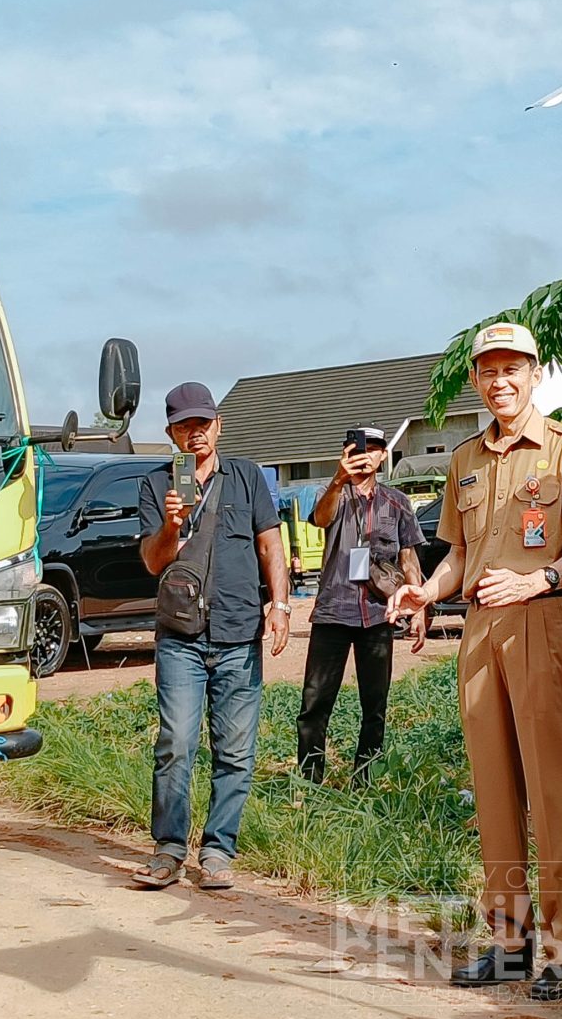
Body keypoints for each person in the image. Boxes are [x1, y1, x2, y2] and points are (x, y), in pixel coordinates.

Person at [391, 322, 562, 999]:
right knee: (495, 792)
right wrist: (425, 590)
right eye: (489, 370)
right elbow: (459, 554)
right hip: (480, 633)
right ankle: (511, 941)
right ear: (477, 380)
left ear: (535, 373)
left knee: (555, 790)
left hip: (544, 624)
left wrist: (541, 580)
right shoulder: (465, 460)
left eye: (513, 368)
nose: (500, 380)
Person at [133, 381, 291, 891]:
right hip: (180, 634)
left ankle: (219, 850)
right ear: (171, 433)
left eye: (203, 424)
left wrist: (281, 605)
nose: (195, 433)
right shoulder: (157, 484)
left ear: (218, 426)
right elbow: (154, 563)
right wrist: (172, 525)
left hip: (238, 631)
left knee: (236, 750)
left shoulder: (246, 478)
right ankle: (169, 848)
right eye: (185, 426)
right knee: (176, 742)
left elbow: (271, 546)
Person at [298, 427, 422, 784]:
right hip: (333, 610)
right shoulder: (332, 493)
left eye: (373, 450)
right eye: (356, 450)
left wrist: (420, 607)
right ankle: (309, 782)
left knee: (375, 706)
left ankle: (365, 780)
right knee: (314, 704)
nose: (364, 456)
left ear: (383, 455)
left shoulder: (397, 501)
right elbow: (320, 520)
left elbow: (408, 556)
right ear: (345, 455)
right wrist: (338, 480)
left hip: (379, 614)